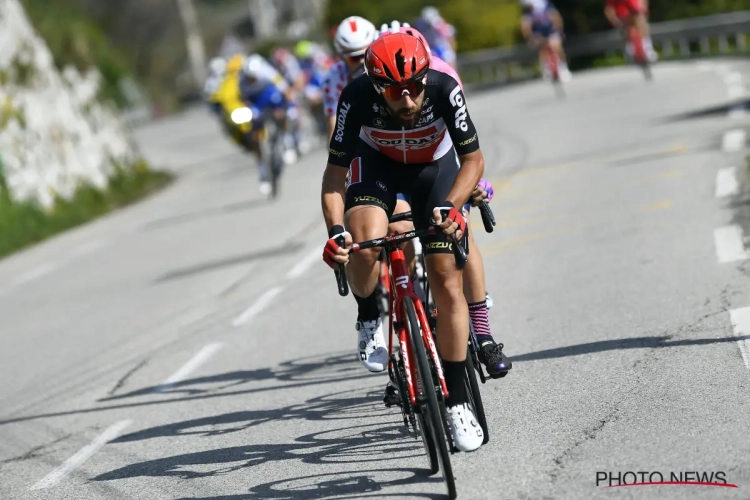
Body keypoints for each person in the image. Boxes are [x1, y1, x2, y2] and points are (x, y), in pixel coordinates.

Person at [321, 33, 489, 451]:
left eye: (414, 87)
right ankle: (367, 314)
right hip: (376, 167)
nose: (409, 99)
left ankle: (457, 399)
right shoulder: (356, 95)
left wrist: (452, 206)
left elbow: (473, 160)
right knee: (367, 242)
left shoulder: (443, 87)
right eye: (396, 92)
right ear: (378, 86)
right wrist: (334, 232)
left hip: (434, 169)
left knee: (446, 278)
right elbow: (333, 176)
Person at [376, 21, 511, 380]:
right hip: (390, 170)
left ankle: (482, 333)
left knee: (458, 229)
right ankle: (402, 331)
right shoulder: (373, 87)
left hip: (439, 160)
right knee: (394, 229)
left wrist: (474, 185)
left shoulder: (442, 75)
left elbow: (463, 140)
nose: (406, 92)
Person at [239, 54, 294, 195]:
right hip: (256, 104)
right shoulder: (241, 81)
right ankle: (262, 171)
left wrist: (286, 106)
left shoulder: (269, 74)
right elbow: (243, 99)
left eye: (254, 78)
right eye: (249, 78)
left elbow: (285, 90)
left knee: (281, 116)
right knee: (255, 136)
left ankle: (287, 143)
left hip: (271, 99)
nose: (251, 80)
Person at [323, 16, 379, 140]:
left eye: (366, 54)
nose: (361, 62)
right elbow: (334, 127)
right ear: (342, 57)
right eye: (354, 57)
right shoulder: (334, 76)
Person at [520, 0, 572, 82]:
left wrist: (559, 30)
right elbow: (525, 26)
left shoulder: (544, 4)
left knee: (556, 46)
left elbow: (556, 16)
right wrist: (530, 38)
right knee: (542, 48)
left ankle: (563, 67)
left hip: (551, 29)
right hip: (538, 32)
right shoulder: (526, 11)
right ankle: (546, 69)